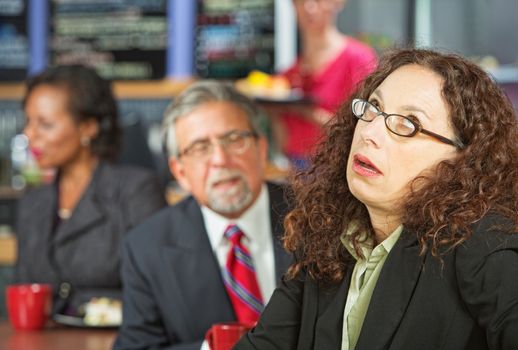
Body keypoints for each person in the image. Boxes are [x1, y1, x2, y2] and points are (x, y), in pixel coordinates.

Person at [235, 48, 518, 349]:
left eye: (407, 125)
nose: (370, 132)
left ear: (464, 160)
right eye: (373, 108)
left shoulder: (485, 244)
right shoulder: (328, 236)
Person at [113, 81, 292, 350]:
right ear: (180, 172)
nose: (220, 159)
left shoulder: (320, 217)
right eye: (200, 148)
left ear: (261, 148)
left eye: (234, 139)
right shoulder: (146, 248)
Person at [15, 65, 166, 318]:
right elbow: (22, 294)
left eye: (45, 124)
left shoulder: (136, 191)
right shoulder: (33, 203)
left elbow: (158, 290)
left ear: (88, 127)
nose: (29, 134)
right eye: (28, 121)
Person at [275, 0, 376, 167]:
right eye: (301, 1)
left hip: (338, 169)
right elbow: (284, 142)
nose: (309, 8)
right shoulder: (288, 74)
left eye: (318, 0)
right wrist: (274, 112)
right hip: (294, 170)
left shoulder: (359, 60)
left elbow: (365, 126)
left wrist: (309, 112)